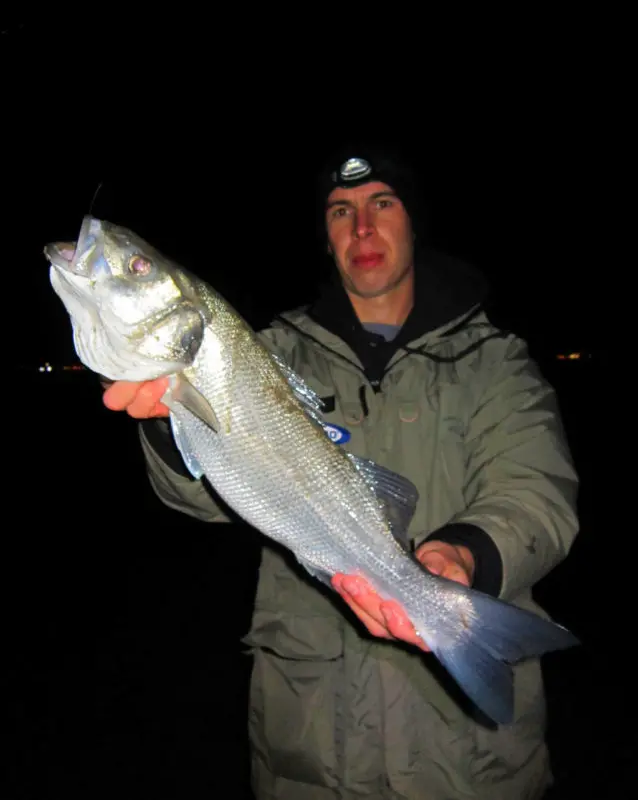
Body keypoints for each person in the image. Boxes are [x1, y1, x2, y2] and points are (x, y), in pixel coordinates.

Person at [103, 146, 579, 799]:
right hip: (310, 758)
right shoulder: (271, 351)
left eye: (382, 203)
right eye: (340, 211)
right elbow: (203, 497)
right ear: (325, 239)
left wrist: (468, 559)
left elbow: (537, 491)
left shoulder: (497, 361)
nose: (362, 228)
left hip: (468, 769)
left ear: (414, 221)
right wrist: (167, 417)